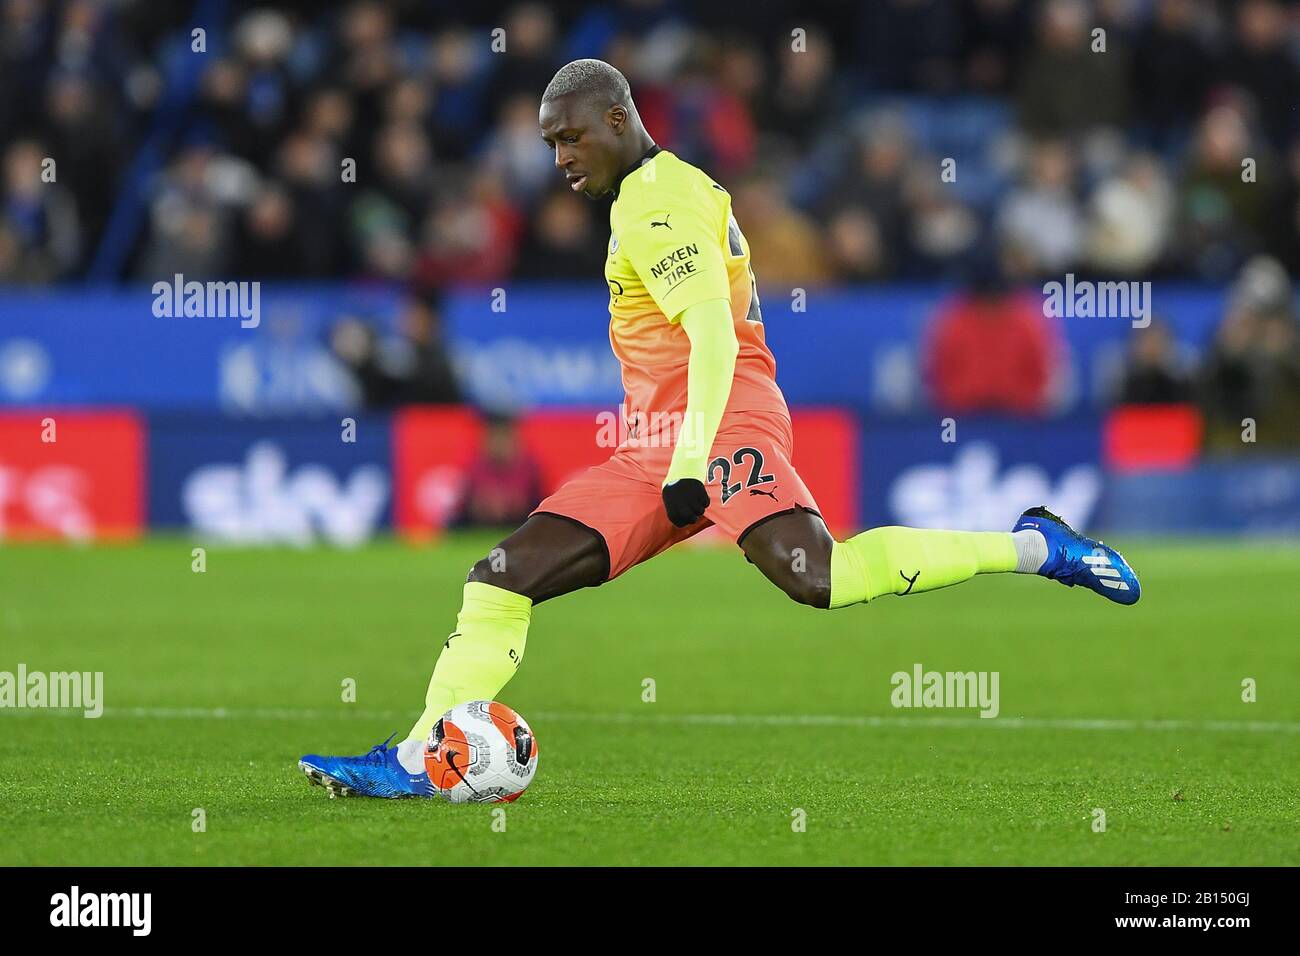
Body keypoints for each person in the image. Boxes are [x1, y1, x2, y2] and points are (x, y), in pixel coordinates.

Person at [299, 60, 1142, 799]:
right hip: (660, 439)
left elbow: (710, 332)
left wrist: (693, 462)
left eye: (571, 140)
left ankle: (1038, 546)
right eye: (551, 144)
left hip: (718, 418)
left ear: (620, 121)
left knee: (818, 575)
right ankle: (419, 757)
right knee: (499, 578)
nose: (559, 161)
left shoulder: (655, 205)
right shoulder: (668, 190)